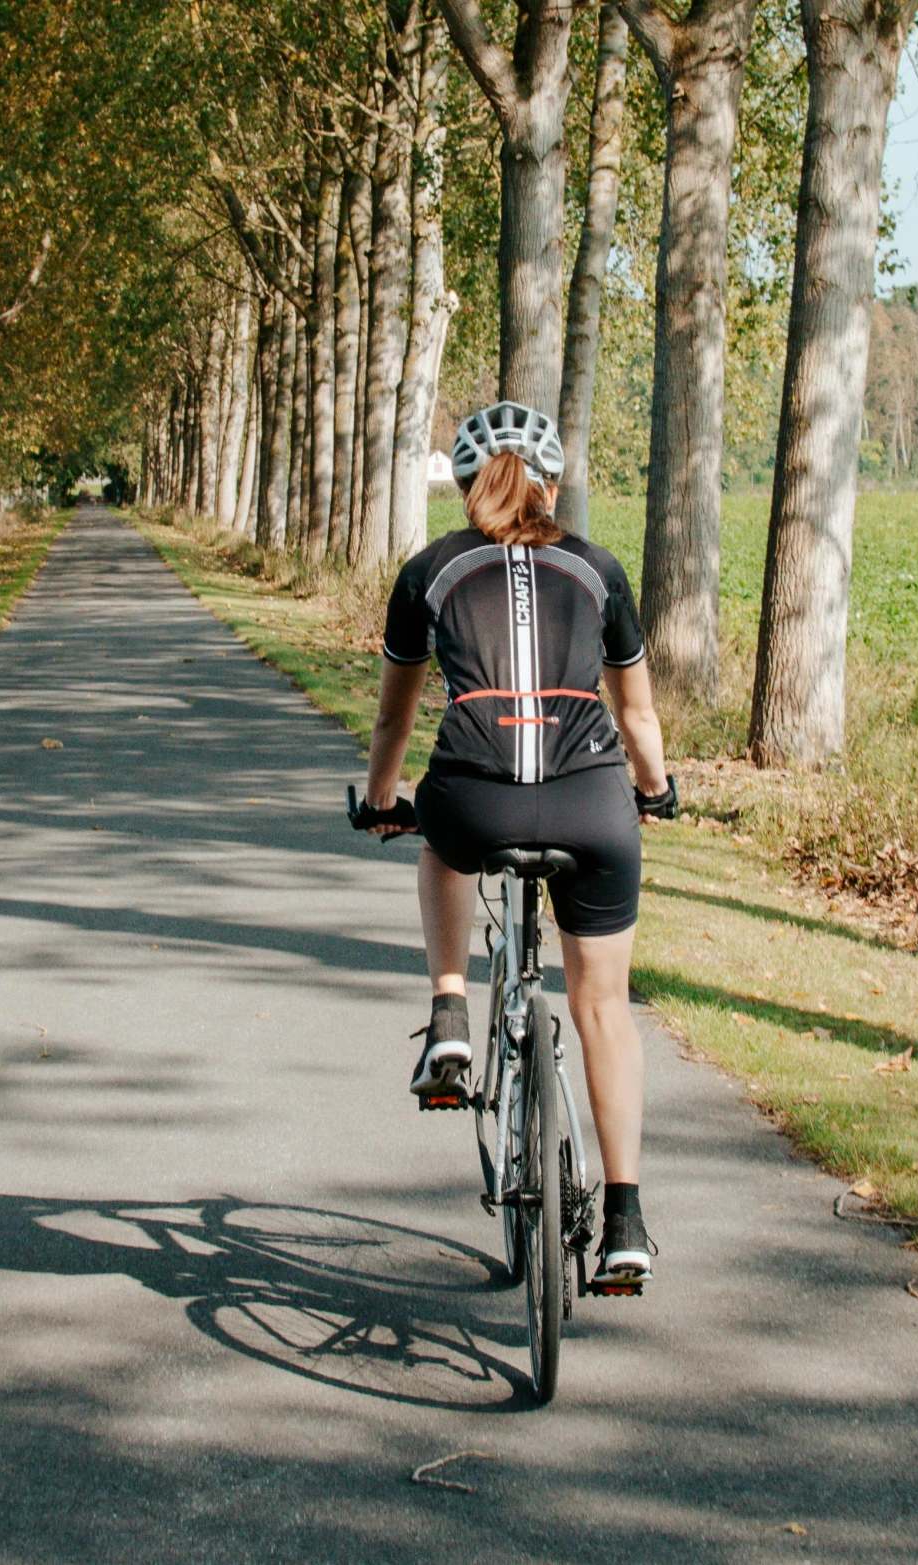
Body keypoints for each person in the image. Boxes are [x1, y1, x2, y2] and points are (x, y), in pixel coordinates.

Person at [359, 401, 676, 1288]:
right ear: (554, 481)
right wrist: (654, 790)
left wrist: (384, 798)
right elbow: (638, 716)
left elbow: (394, 710)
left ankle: (452, 1015)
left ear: (465, 487)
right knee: (603, 1007)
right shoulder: (597, 569)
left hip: (476, 798)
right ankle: (623, 1221)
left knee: (438, 839)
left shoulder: (430, 568)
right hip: (591, 804)